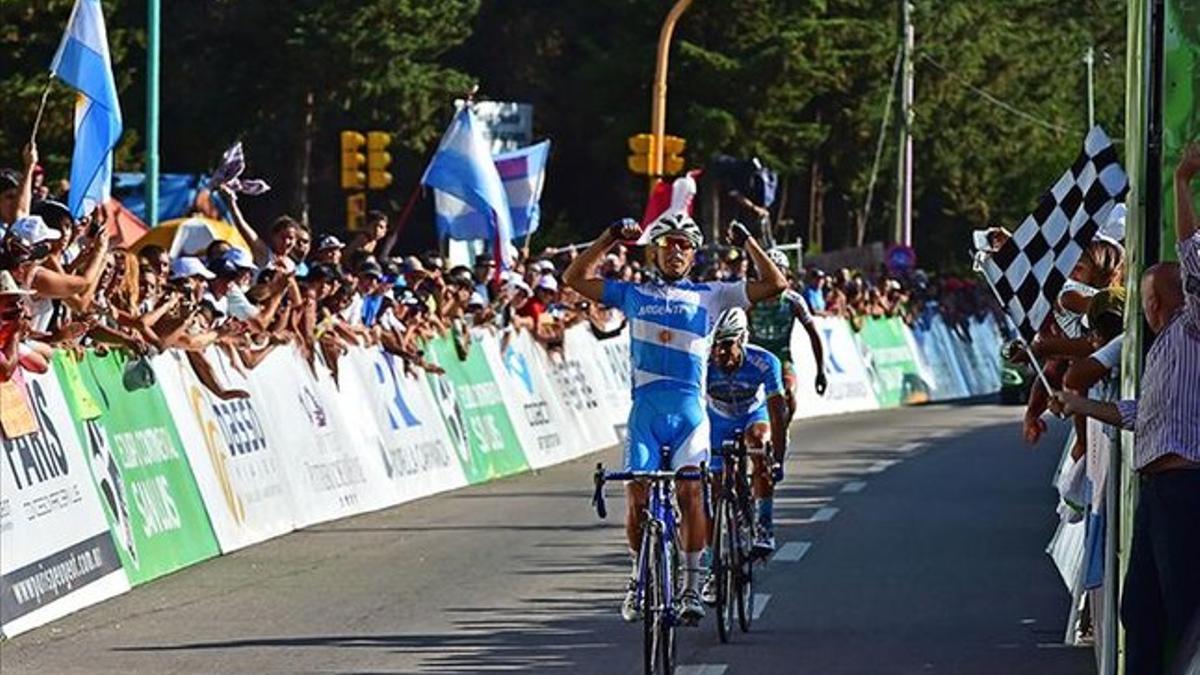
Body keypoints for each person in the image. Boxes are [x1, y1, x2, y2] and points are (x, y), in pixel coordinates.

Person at [563, 213, 787, 625]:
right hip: (645, 412)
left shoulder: (712, 293)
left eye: (685, 245)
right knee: (636, 494)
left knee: (691, 495)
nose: (677, 251)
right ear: (654, 251)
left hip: (689, 414)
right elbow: (575, 278)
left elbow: (775, 284)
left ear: (694, 252)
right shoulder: (632, 293)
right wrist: (609, 237)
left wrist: (749, 241)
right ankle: (635, 580)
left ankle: (690, 586)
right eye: (668, 244)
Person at [1054, 140, 1200, 674]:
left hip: (1187, 488)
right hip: (1158, 489)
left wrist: (1183, 182)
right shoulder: (1165, 348)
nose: (1146, 308)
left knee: (1186, 614)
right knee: (1139, 609)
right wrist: (1076, 404)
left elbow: (1194, 257)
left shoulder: (1194, 327)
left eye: (1147, 299)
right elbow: (1137, 414)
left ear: (1162, 300)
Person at [702, 307, 790, 607]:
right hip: (717, 418)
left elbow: (778, 412)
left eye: (726, 343)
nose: (719, 352)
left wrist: (776, 458)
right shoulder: (702, 363)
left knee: (758, 444)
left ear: (742, 339)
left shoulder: (764, 361)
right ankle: (713, 568)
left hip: (754, 415)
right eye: (714, 345)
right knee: (713, 491)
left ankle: (764, 525)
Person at [748, 248, 827, 422]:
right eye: (767, 270)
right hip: (754, 356)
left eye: (777, 270)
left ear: (785, 273)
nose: (771, 274)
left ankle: (782, 432)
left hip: (781, 357)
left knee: (789, 393)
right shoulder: (751, 297)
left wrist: (820, 370)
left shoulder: (794, 300)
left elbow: (813, 334)